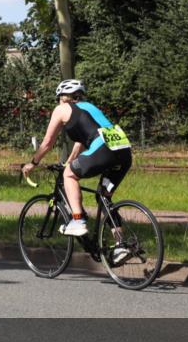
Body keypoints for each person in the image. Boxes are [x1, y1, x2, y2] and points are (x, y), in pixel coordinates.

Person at [21, 80, 133, 253]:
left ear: (63, 97)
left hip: (103, 150)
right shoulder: (90, 107)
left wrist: (33, 163)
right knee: (103, 197)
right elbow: (81, 142)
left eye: (58, 98)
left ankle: (78, 220)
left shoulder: (61, 109)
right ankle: (121, 246)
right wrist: (70, 162)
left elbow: (47, 143)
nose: (58, 102)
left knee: (69, 175)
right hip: (123, 152)